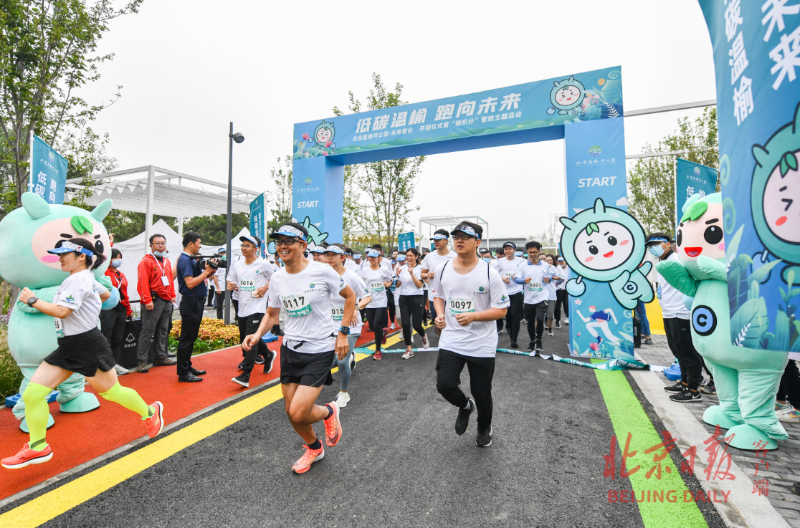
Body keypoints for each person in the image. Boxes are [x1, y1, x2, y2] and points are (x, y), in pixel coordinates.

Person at [2, 239, 164, 469]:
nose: (59, 258)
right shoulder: (86, 277)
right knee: (33, 395)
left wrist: (33, 300)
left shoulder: (76, 280)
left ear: (81, 256)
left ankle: (150, 412)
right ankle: (38, 447)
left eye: (64, 254)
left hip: (88, 345)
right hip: (69, 346)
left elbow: (62, 311)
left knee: (112, 392)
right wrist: (89, 307)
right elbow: (105, 294)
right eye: (58, 254)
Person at [242, 223, 355, 474]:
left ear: (303, 245)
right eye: (279, 242)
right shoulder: (277, 278)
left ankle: (328, 411)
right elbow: (272, 313)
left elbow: (350, 297)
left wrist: (343, 333)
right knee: (290, 411)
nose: (282, 246)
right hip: (291, 349)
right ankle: (314, 447)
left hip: (319, 349)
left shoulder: (322, 271)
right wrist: (257, 335)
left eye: (288, 241)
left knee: (299, 411)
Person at [432, 222, 509, 447]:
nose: (459, 240)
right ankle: (465, 406)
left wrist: (474, 316)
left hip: (481, 342)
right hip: (452, 338)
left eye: (465, 237)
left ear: (477, 242)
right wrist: (440, 315)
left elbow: (502, 309)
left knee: (482, 392)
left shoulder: (489, 272)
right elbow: (438, 295)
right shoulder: (442, 269)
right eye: (456, 236)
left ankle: (484, 427)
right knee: (444, 385)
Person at [646, 233, 706, 403]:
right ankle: (685, 382)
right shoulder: (663, 262)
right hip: (669, 312)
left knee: (688, 353)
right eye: (650, 246)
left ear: (667, 244)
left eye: (655, 244)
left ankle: (693, 389)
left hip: (681, 313)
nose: (652, 248)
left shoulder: (679, 260)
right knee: (678, 352)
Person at [325, 244, 372, 408]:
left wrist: (356, 307)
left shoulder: (351, 277)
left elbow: (367, 297)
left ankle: (343, 392)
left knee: (341, 361)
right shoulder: (324, 275)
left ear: (342, 258)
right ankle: (349, 356)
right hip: (329, 324)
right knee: (323, 361)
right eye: (327, 255)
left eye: (334, 255)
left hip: (351, 325)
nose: (330, 258)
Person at [227, 235, 277, 388]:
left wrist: (264, 288)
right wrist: (230, 285)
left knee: (249, 339)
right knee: (247, 336)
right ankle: (268, 355)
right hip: (243, 306)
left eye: (247, 246)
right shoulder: (237, 264)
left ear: (256, 249)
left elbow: (276, 278)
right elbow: (231, 279)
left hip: (257, 306)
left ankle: (246, 374)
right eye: (243, 245)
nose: (244, 248)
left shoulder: (263, 264)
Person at [175, 232, 217, 383]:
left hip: (196, 302)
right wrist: (206, 272)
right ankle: (183, 373)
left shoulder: (191, 259)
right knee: (186, 338)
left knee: (191, 337)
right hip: (190, 302)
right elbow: (190, 283)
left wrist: (209, 272)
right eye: (199, 243)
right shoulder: (185, 259)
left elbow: (199, 279)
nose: (200, 246)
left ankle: (187, 366)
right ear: (191, 243)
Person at [136, 234, 177, 373]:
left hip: (166, 300)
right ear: (151, 246)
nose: (161, 246)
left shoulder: (166, 261)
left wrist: (172, 295)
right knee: (148, 331)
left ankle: (160, 357)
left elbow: (170, 280)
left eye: (163, 243)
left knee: (163, 330)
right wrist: (147, 300)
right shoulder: (146, 261)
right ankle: (142, 361)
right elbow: (142, 282)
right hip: (153, 300)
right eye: (157, 243)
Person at [100, 248, 132, 376]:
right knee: (106, 337)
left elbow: (125, 292)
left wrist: (128, 309)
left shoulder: (120, 274)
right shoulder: (103, 273)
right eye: (115, 257)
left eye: (120, 258)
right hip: (108, 309)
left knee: (117, 338)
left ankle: (115, 364)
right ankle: (105, 365)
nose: (118, 260)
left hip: (121, 308)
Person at [359, 249, 394, 360]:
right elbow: (360, 283)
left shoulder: (384, 269)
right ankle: (382, 332)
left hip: (381, 301)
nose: (371, 259)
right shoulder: (364, 270)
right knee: (372, 326)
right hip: (369, 301)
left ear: (379, 258)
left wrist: (387, 284)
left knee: (377, 323)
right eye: (370, 257)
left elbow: (390, 280)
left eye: (374, 257)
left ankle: (378, 350)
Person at [515, 242, 549, 352]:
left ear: (539, 251)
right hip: (529, 298)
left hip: (542, 296)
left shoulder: (545, 265)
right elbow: (516, 279)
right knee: (530, 321)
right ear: (527, 252)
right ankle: (532, 341)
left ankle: (539, 339)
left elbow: (549, 278)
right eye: (530, 252)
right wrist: (523, 280)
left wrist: (549, 280)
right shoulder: (522, 265)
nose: (532, 254)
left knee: (540, 319)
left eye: (535, 252)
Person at [396, 248, 430, 359]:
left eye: (411, 255)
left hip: (417, 297)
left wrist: (412, 274)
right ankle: (409, 349)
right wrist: (397, 276)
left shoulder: (421, 269)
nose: (409, 258)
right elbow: (398, 285)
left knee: (416, 324)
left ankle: (423, 335)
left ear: (416, 257)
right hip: (404, 298)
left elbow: (419, 285)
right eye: (407, 255)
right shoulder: (402, 268)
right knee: (405, 324)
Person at [420, 230, 455, 324]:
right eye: (434, 240)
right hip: (434, 295)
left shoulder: (455, 256)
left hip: (451, 295)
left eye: (438, 240)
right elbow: (422, 274)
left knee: (451, 323)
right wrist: (427, 275)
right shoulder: (429, 257)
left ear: (446, 240)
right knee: (439, 323)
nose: (435, 242)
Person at [494, 242, 525, 348]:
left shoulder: (521, 261)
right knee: (507, 314)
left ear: (514, 250)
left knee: (515, 315)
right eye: (506, 249)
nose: (508, 251)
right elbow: (494, 274)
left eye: (510, 249)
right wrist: (502, 278)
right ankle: (508, 326)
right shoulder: (500, 261)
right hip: (504, 292)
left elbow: (525, 273)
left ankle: (514, 338)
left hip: (517, 291)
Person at [543, 255, 558, 336]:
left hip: (551, 294)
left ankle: (550, 328)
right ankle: (538, 330)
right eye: (547, 260)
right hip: (541, 294)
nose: (549, 262)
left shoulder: (553, 268)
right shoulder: (540, 268)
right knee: (539, 315)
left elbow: (560, 277)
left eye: (550, 260)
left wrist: (551, 278)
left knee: (550, 315)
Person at [554, 256, 569, 327]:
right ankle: (558, 320)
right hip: (560, 288)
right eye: (559, 261)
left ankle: (568, 317)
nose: (561, 263)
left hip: (567, 288)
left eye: (562, 261)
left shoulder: (569, 269)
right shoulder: (557, 268)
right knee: (558, 305)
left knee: (566, 303)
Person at [213, 247, 227, 320]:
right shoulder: (217, 263)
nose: (223, 254)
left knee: (228, 304)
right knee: (219, 305)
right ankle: (220, 319)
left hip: (227, 287)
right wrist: (218, 287)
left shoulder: (228, 262)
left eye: (224, 253)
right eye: (221, 253)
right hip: (220, 287)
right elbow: (215, 276)